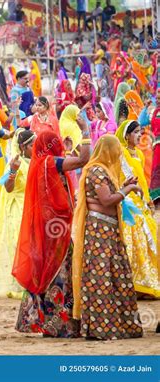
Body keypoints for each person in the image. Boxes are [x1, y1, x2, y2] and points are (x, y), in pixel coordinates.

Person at [13, 115, 91, 338]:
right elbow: (83, 160)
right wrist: (85, 131)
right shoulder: (50, 163)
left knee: (45, 272)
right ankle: (61, 326)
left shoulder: (39, 164)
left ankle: (47, 323)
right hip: (56, 232)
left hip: (46, 230)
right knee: (61, 272)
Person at [72, 134, 143, 340]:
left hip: (108, 230)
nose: (117, 156)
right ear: (107, 151)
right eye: (115, 152)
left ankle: (123, 325)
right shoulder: (96, 171)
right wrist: (128, 189)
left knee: (116, 275)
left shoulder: (104, 171)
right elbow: (106, 200)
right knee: (100, 277)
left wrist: (124, 185)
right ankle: (101, 328)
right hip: (98, 232)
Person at [0, 129, 35, 298]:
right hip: (18, 209)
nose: (35, 148)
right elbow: (8, 188)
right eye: (32, 145)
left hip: (33, 207)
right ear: (23, 146)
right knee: (18, 244)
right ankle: (18, 284)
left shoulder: (36, 161)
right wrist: (13, 171)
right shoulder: (14, 163)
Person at [115, 121, 160, 298]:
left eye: (140, 132)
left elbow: (142, 179)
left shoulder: (139, 155)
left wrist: (147, 199)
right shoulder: (121, 154)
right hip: (125, 199)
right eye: (135, 132)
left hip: (140, 198)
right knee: (135, 232)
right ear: (126, 136)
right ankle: (133, 284)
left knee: (151, 230)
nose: (139, 135)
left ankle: (145, 282)